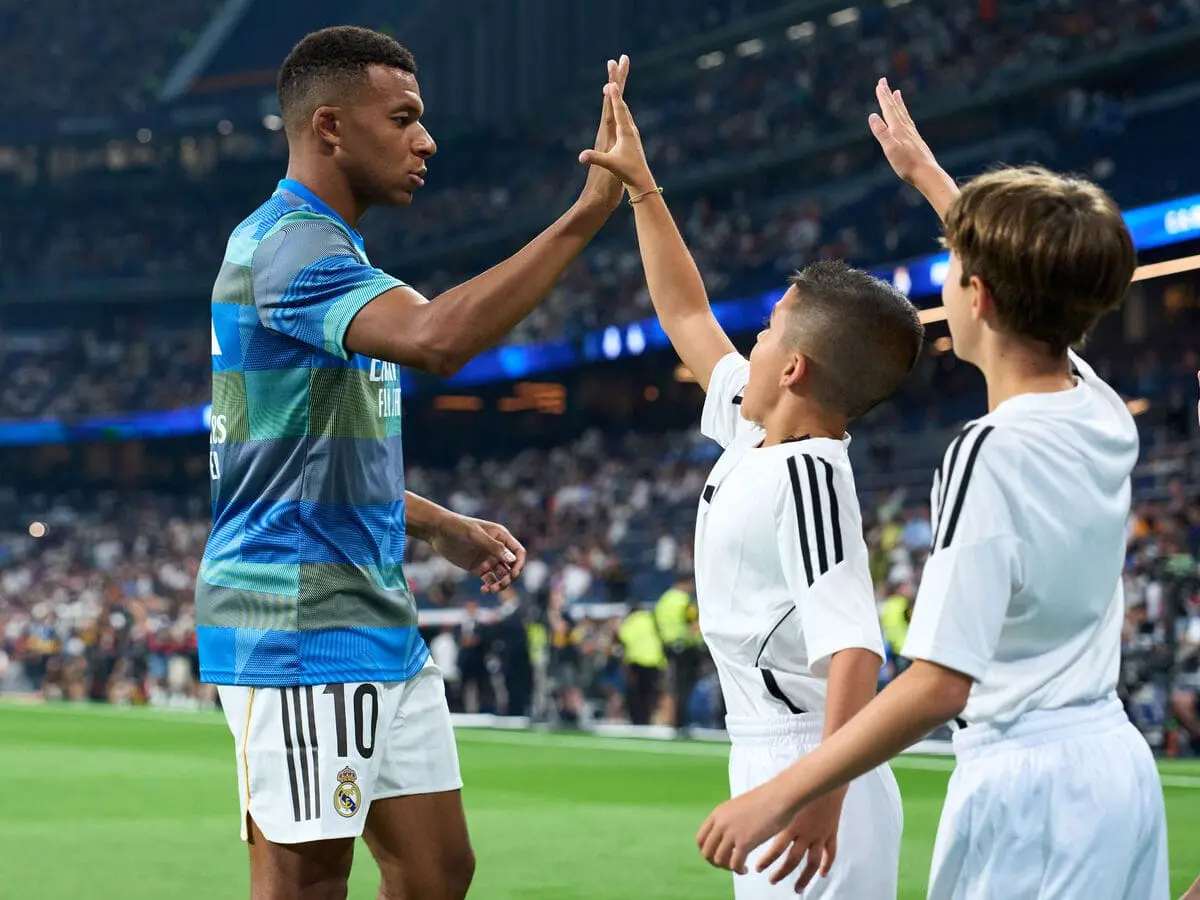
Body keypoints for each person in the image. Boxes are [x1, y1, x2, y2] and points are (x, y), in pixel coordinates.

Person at [696, 78, 1170, 900]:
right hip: (1117, 768)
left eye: (956, 266)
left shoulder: (990, 452)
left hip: (1029, 792)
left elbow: (938, 683)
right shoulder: (1097, 407)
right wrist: (928, 179)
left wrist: (789, 790)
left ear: (976, 297)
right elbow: (1039, 286)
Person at [199, 26, 629, 900]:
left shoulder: (329, 252)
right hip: (297, 622)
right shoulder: (287, 246)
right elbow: (439, 340)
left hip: (372, 611)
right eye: (403, 119)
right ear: (329, 126)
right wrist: (588, 211)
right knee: (306, 880)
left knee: (436, 871)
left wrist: (433, 524)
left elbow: (293, 457)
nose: (426, 140)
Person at [580, 80, 923, 897]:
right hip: (781, 751)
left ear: (794, 370)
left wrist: (820, 799)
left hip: (810, 759)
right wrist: (644, 189)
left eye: (767, 331)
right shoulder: (757, 428)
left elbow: (855, 648)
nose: (752, 342)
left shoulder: (810, 475)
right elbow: (685, 314)